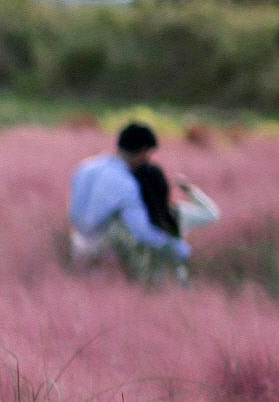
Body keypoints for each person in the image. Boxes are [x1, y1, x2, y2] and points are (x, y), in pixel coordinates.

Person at [69, 121, 192, 282]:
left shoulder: (85, 167)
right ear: (143, 151)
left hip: (77, 244)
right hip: (105, 254)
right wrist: (176, 247)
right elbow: (142, 232)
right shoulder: (125, 183)